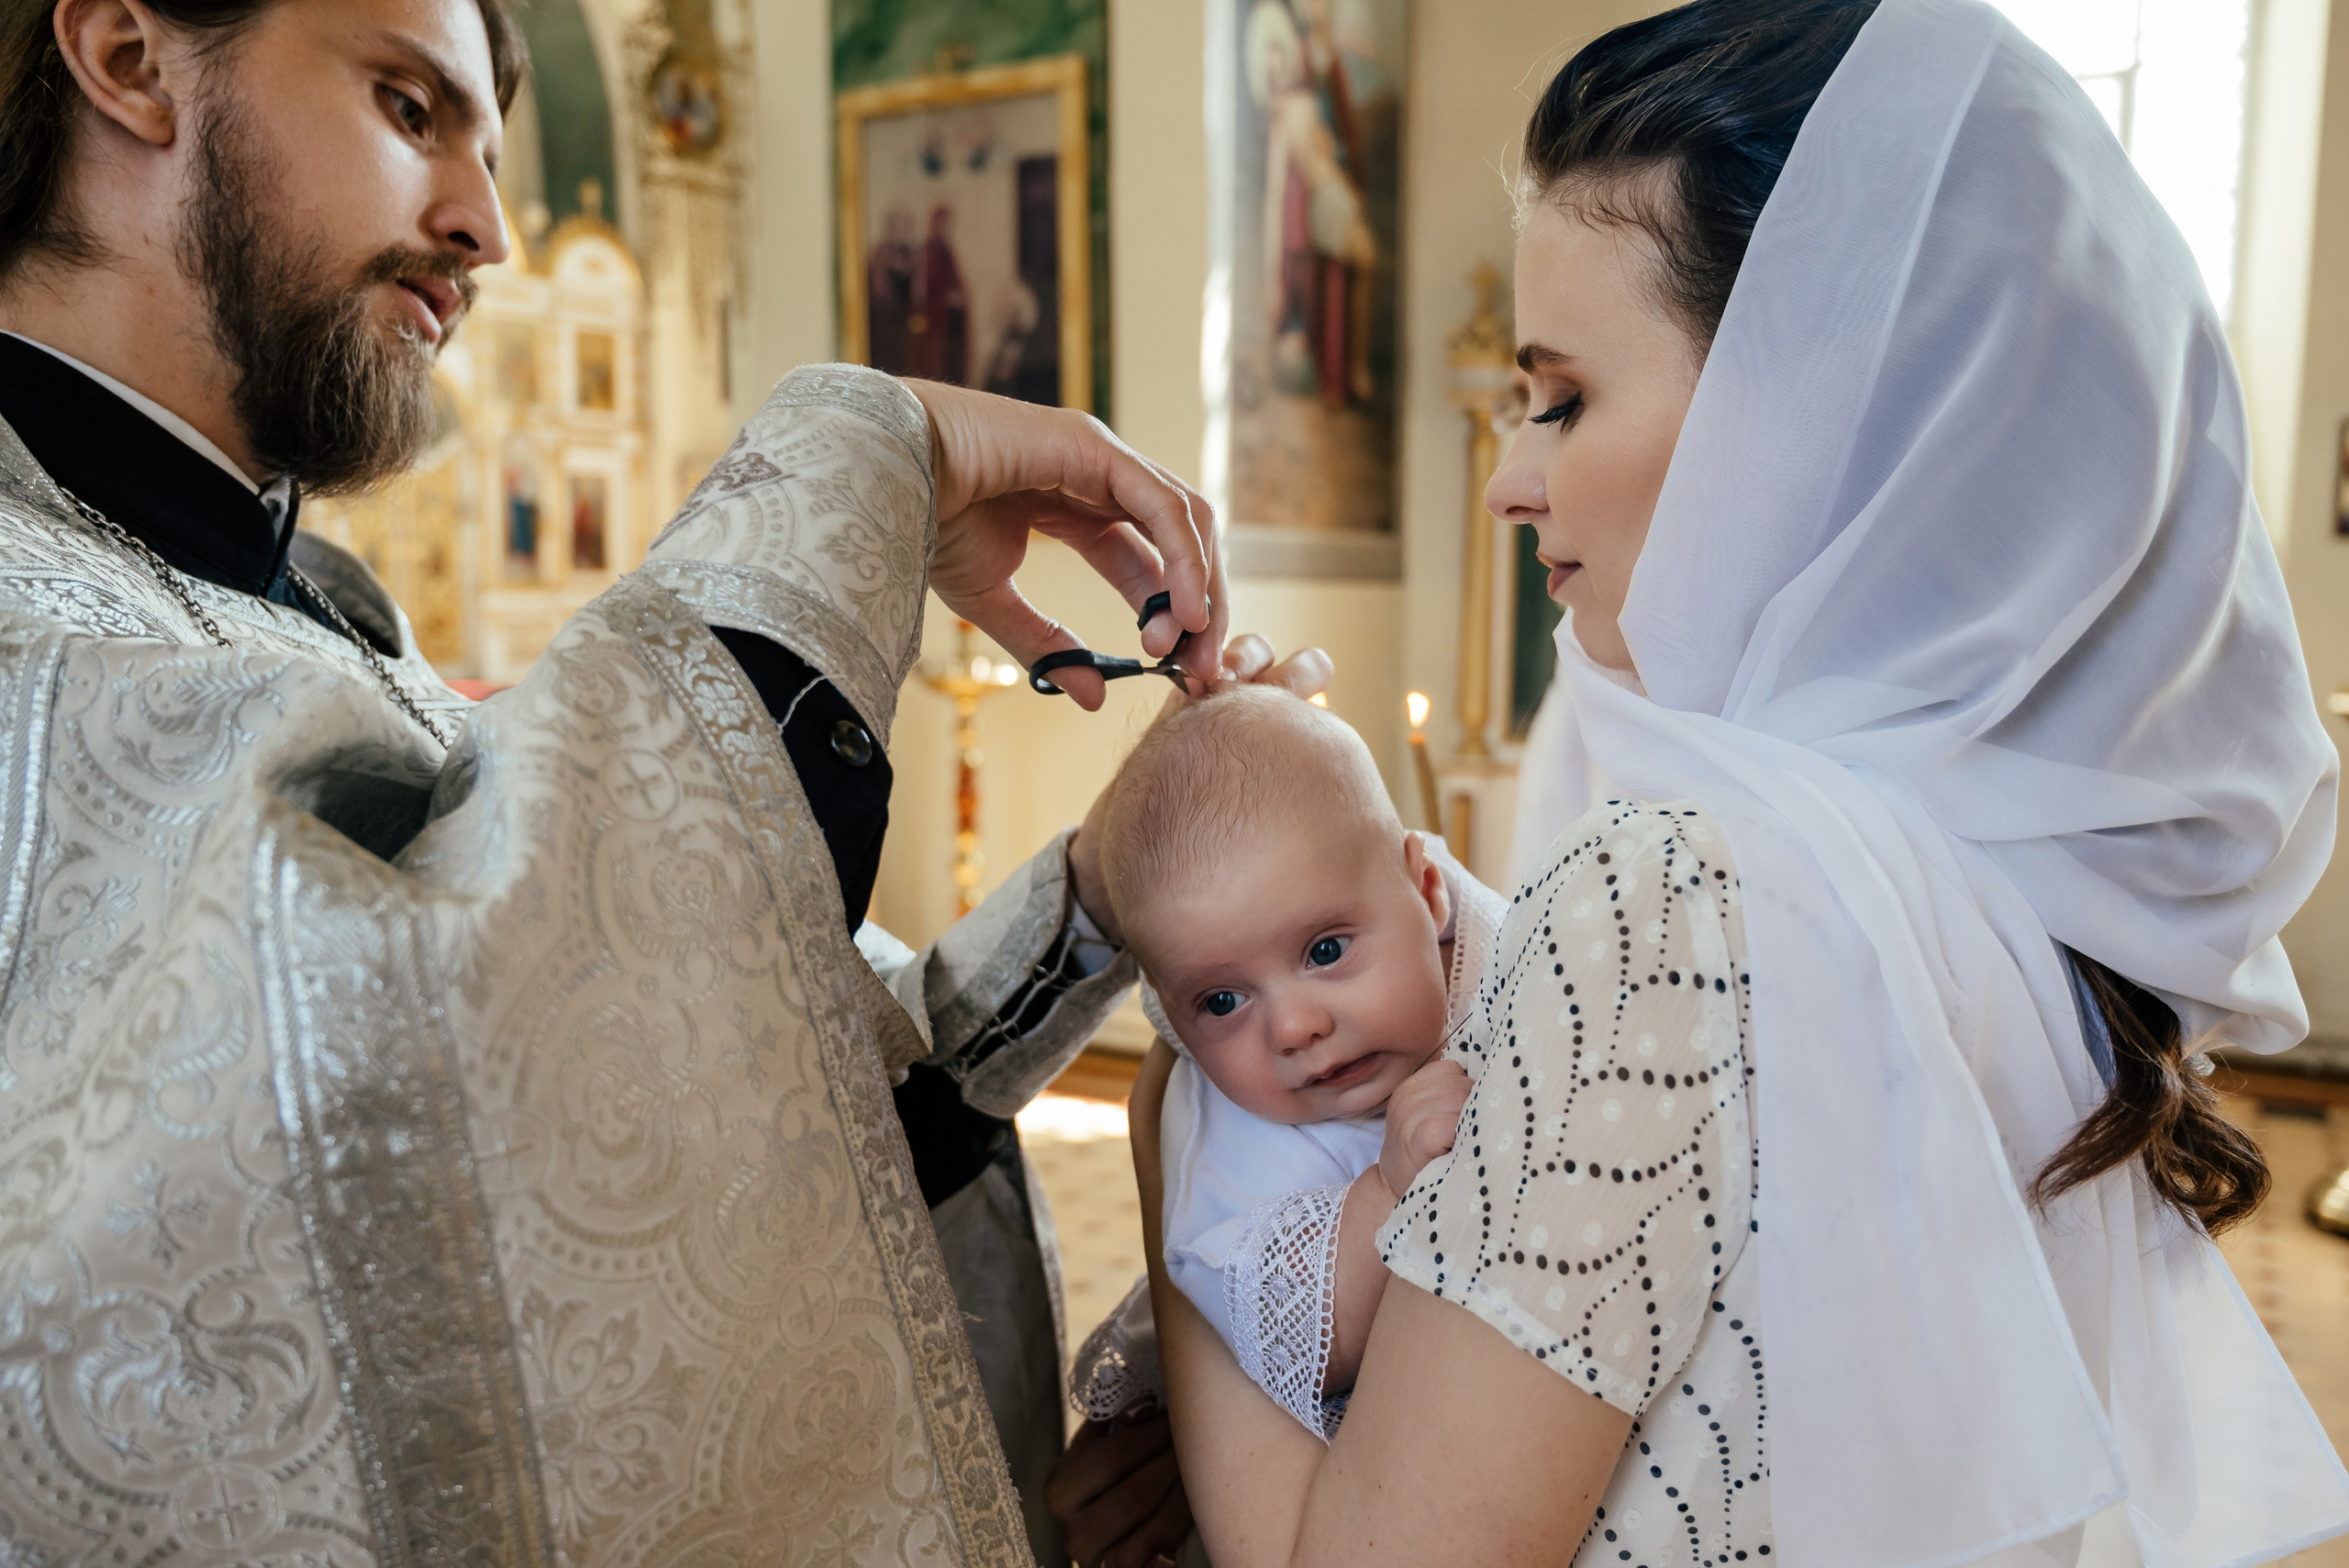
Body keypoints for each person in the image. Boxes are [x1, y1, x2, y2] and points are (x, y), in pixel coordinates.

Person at [0, 1, 1274, 1562]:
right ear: (127, 54)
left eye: (487, 146)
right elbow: (439, 1072)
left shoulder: (324, 611)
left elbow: (697, 1071)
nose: (487, 226)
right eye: (410, 108)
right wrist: (866, 447)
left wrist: (1104, 887)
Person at [1132, 2, 2349, 1565]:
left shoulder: (1676, 887)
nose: (1511, 476)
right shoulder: (2011, 881)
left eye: (1564, 397)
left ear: (1806, 413)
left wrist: (1189, 1220)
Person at [1071, 684, 1505, 1439]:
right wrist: (1386, 1189)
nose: (1296, 1028)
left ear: (1429, 891)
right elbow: (1297, 1340)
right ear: (1173, 1015)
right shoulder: (1230, 1143)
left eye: (1326, 950)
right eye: (1222, 1002)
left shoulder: (1512, 964)